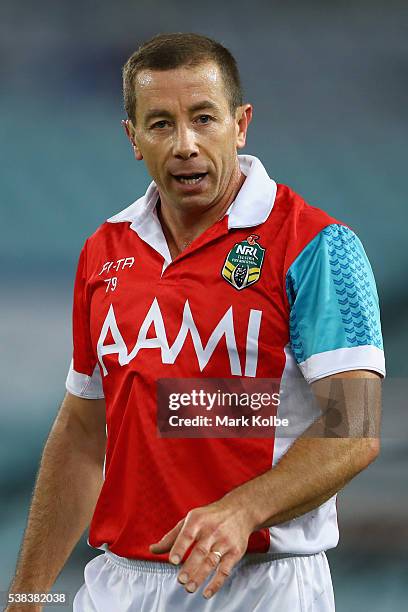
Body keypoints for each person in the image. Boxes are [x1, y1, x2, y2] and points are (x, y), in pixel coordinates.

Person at [7, 33, 385, 612]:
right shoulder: (104, 251)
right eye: (160, 124)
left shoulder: (317, 245)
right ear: (133, 139)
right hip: (117, 584)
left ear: (241, 124)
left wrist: (242, 510)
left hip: (263, 586)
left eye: (203, 118)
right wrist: (28, 596)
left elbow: (356, 426)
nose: (185, 144)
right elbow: (84, 433)